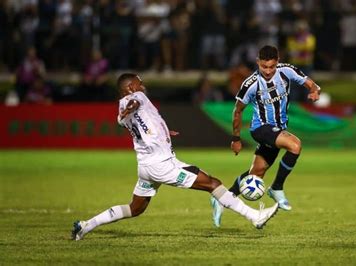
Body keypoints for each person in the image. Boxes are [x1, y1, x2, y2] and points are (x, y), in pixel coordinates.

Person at [71, 73, 278, 240]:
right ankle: (255, 216)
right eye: (139, 83)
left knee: (135, 209)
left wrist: (163, 132)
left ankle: (86, 225)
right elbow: (134, 103)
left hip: (146, 166)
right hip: (162, 165)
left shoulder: (120, 113)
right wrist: (131, 105)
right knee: (212, 183)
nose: (143, 85)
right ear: (130, 87)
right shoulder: (136, 98)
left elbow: (138, 122)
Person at [210, 45, 320, 227]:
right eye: (264, 67)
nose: (268, 71)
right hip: (261, 129)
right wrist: (236, 139)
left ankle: (222, 199)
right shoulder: (250, 84)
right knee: (295, 145)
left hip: (278, 129)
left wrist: (314, 90)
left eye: (271, 67)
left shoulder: (287, 71)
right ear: (258, 63)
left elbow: (310, 83)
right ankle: (276, 188)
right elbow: (237, 112)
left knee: (256, 173)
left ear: (277, 62)